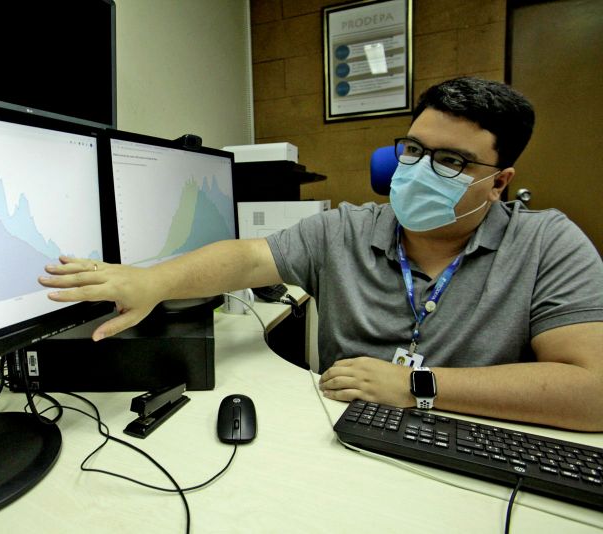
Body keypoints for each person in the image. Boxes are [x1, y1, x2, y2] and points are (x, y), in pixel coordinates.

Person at [38, 77, 603, 431]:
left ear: (500, 181)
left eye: (451, 162)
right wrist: (152, 281)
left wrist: (417, 387)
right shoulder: (348, 229)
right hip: (342, 438)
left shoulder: (549, 243)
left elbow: (594, 392)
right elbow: (245, 258)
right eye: (413, 150)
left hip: (468, 439)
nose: (420, 170)